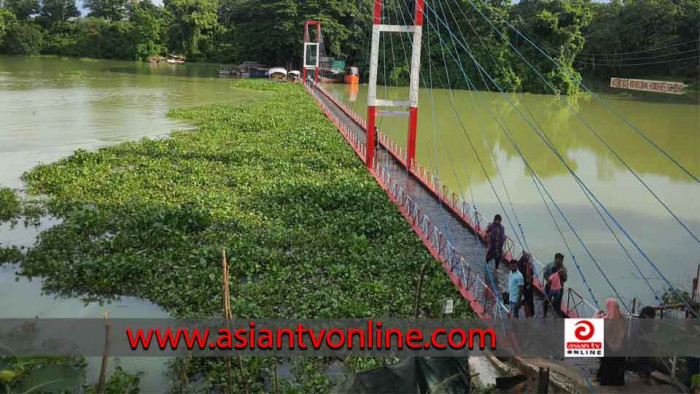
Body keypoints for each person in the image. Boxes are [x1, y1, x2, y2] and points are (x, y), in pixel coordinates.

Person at [595, 298, 627, 386]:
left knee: (606, 364)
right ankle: (618, 381)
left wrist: (598, 314)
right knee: (618, 364)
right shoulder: (623, 317)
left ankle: (605, 380)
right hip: (620, 347)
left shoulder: (605, 320)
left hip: (608, 347)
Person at [542, 253, 567, 318]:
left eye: (562, 260)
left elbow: (565, 279)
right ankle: (544, 315)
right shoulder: (549, 265)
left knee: (557, 304)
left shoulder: (563, 268)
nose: (560, 261)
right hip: (549, 286)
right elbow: (545, 274)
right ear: (555, 259)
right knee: (545, 302)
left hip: (559, 288)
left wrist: (562, 275)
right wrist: (548, 280)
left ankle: (556, 317)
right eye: (559, 259)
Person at [517, 252, 535, 318]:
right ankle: (528, 315)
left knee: (526, 299)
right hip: (527, 285)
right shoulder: (527, 264)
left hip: (522, 284)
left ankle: (526, 314)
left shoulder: (519, 265)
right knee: (528, 300)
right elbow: (528, 276)